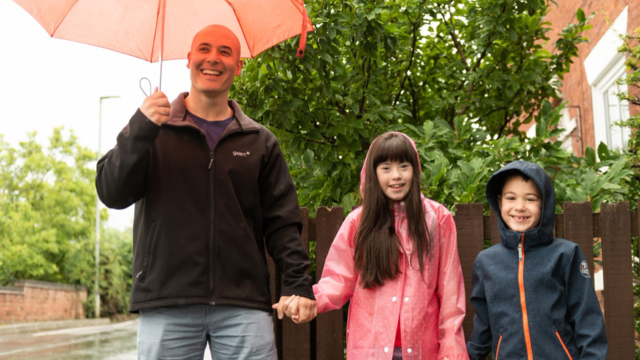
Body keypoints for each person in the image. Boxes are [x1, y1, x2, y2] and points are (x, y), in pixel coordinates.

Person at [95, 24, 315, 360]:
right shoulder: (152, 130)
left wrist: (298, 282)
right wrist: (140, 127)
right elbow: (111, 192)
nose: (213, 58)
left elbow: (282, 223)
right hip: (166, 300)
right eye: (204, 49)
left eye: (225, 52)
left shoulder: (260, 141)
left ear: (238, 66)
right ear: (188, 59)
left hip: (242, 304)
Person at [286, 132, 468, 360]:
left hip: (424, 349)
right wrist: (311, 299)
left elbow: (450, 290)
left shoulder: (437, 219)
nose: (396, 176)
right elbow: (339, 279)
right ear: (373, 173)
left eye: (404, 166)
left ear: (415, 169)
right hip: (369, 349)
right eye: (386, 168)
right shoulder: (358, 222)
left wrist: (451, 346)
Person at [466, 160, 607, 359]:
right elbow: (483, 324)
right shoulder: (486, 262)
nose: (520, 206)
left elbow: (588, 320)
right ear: (500, 202)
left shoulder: (566, 255)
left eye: (530, 199)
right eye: (511, 198)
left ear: (544, 204)